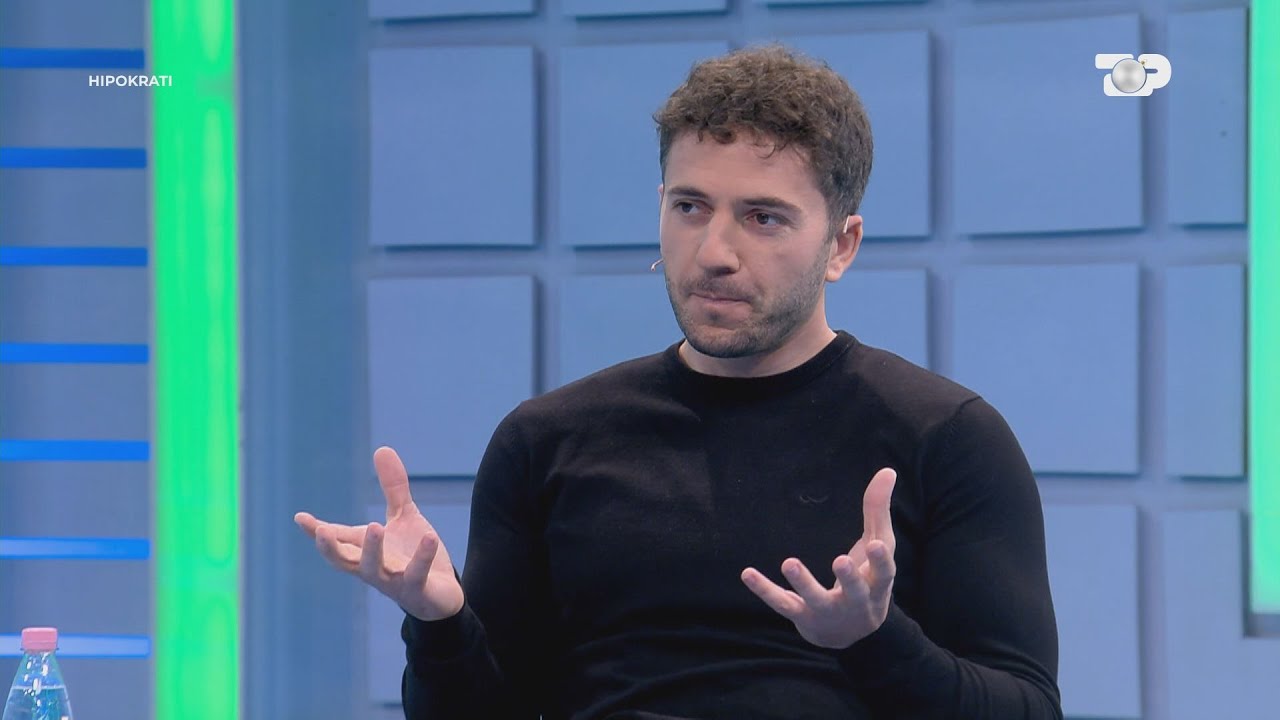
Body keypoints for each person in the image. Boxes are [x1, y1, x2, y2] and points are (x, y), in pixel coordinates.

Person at [295, 45, 1062, 719]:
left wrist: (872, 639)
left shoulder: (947, 438)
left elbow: (1027, 708)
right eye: (690, 207)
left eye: (763, 218)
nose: (715, 253)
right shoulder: (545, 442)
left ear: (841, 245)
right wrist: (438, 623)